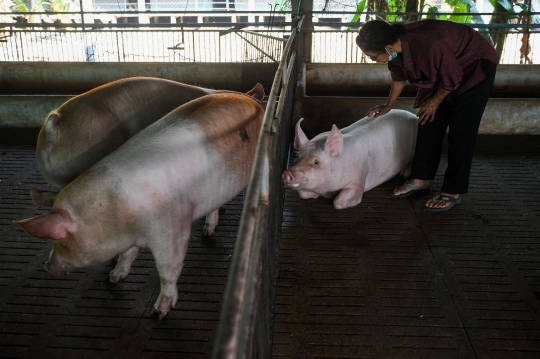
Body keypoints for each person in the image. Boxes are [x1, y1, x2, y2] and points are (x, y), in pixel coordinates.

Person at [356, 19, 500, 212]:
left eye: (372, 57)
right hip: (449, 69)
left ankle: (452, 190)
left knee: (461, 127)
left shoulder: (430, 45)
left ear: (388, 48)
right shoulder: (396, 49)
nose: (372, 60)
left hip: (475, 63)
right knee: (427, 119)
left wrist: (435, 100)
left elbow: (453, 77)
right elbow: (398, 77)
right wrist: (388, 105)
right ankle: (420, 179)